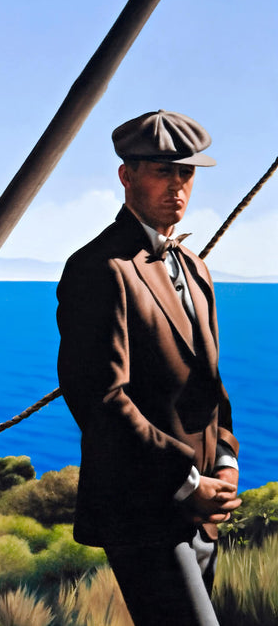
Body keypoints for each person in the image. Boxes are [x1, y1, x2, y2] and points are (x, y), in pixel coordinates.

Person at [56, 110, 241, 626]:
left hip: (202, 513)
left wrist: (225, 461)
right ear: (126, 176)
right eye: (162, 172)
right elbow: (101, 400)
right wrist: (186, 482)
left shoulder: (195, 267)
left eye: (186, 174)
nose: (177, 187)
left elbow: (210, 385)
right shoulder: (98, 268)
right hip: (142, 510)